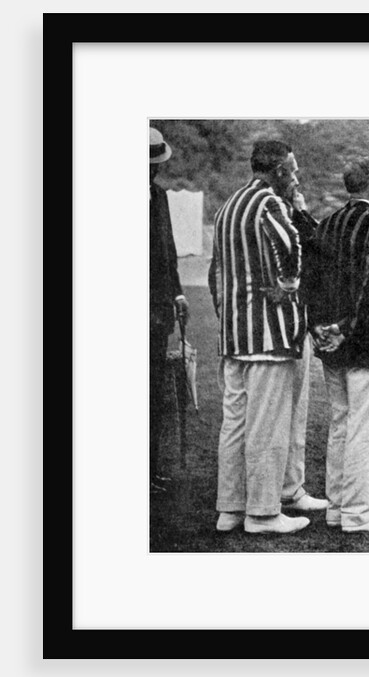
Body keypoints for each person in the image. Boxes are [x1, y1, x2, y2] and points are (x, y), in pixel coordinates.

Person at [208, 140, 328, 535]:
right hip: (269, 336)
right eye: (291, 170)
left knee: (236, 425)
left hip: (235, 335)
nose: (295, 177)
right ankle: (262, 512)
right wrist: (289, 284)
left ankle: (231, 509)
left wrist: (229, 314)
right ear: (278, 170)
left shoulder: (228, 206)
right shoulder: (269, 204)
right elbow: (292, 245)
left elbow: (217, 273)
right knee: (268, 426)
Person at [301, 156, 369, 533]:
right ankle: (359, 513)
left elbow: (308, 281)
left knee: (340, 425)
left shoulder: (328, 223)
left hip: (330, 343)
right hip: (366, 342)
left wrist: (319, 327)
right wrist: (347, 327)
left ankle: (337, 508)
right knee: (365, 430)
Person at [149, 127, 189, 494]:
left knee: (154, 392)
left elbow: (168, 250)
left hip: (159, 311)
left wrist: (177, 293)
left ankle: (150, 468)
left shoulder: (158, 197)